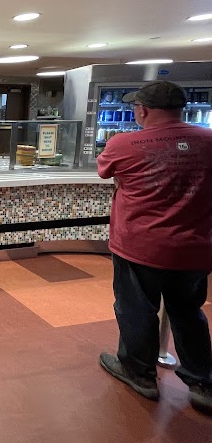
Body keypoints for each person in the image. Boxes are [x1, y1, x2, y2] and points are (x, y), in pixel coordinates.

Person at [96, 81, 212, 413]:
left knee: (137, 310)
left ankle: (139, 374)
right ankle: (203, 382)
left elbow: (105, 171)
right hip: (195, 248)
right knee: (189, 313)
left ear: (143, 110)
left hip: (140, 247)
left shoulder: (124, 143)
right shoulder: (208, 140)